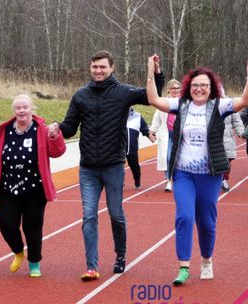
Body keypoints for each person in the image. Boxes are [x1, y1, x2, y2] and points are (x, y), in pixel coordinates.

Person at [49, 50, 164, 281]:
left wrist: (156, 73)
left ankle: (120, 255)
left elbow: (153, 96)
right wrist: (57, 128)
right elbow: (71, 127)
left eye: (102, 67)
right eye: (94, 67)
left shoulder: (123, 92)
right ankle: (91, 266)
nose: (98, 71)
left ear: (112, 68)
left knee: (115, 214)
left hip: (113, 166)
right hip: (88, 168)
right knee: (89, 216)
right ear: (90, 68)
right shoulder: (81, 95)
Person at [146, 54, 248, 286]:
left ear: (211, 88)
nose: (199, 89)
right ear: (189, 87)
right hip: (183, 173)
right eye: (195, 85)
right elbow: (154, 100)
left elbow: (245, 101)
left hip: (210, 174)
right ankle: (183, 266)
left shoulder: (219, 105)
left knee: (206, 221)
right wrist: (151, 71)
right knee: (184, 216)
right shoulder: (181, 105)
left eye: (204, 85)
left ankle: (206, 260)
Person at [0, 94, 66, 278]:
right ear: (14, 111)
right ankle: (18, 251)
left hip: (34, 190)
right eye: (18, 108)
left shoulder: (42, 130)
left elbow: (57, 152)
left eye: (25, 107)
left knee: (32, 226)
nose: (21, 111)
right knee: (6, 224)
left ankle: (34, 262)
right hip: (8, 188)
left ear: (32, 109)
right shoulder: (4, 131)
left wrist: (55, 136)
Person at [149, 79, 181, 192]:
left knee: (179, 159)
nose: (175, 90)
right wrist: (152, 131)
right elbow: (157, 118)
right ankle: (168, 180)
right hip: (167, 134)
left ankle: (179, 180)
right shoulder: (164, 102)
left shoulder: (184, 102)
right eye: (173, 88)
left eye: (177, 88)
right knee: (167, 157)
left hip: (180, 135)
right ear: (169, 90)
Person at [126, 107, 153, 189]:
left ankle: (137, 180)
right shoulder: (115, 114)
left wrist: (150, 135)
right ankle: (119, 183)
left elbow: (144, 129)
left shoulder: (137, 116)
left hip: (132, 147)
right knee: (118, 167)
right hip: (118, 148)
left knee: (134, 166)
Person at [221, 111, 245, 192]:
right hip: (213, 138)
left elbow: (236, 120)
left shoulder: (228, 104)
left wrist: (241, 132)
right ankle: (220, 180)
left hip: (227, 138)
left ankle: (223, 179)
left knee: (228, 160)